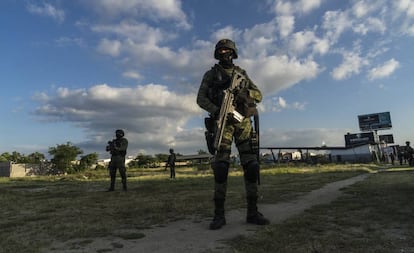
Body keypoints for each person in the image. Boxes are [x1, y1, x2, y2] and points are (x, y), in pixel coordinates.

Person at [197, 39, 270, 230]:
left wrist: (244, 94)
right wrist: (216, 111)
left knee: (252, 166)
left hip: (243, 124)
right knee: (220, 168)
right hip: (223, 125)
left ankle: (253, 212)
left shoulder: (242, 74)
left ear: (233, 52)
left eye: (227, 50)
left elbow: (259, 94)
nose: (224, 53)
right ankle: (219, 216)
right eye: (220, 50)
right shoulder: (211, 74)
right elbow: (200, 99)